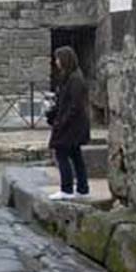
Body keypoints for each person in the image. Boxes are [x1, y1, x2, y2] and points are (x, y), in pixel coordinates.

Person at [47, 46, 91, 200]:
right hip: (72, 125)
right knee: (75, 155)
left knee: (62, 154)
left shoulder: (75, 80)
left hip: (71, 126)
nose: (56, 62)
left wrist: (62, 122)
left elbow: (75, 105)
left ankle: (66, 189)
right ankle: (82, 189)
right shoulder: (70, 78)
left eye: (58, 59)